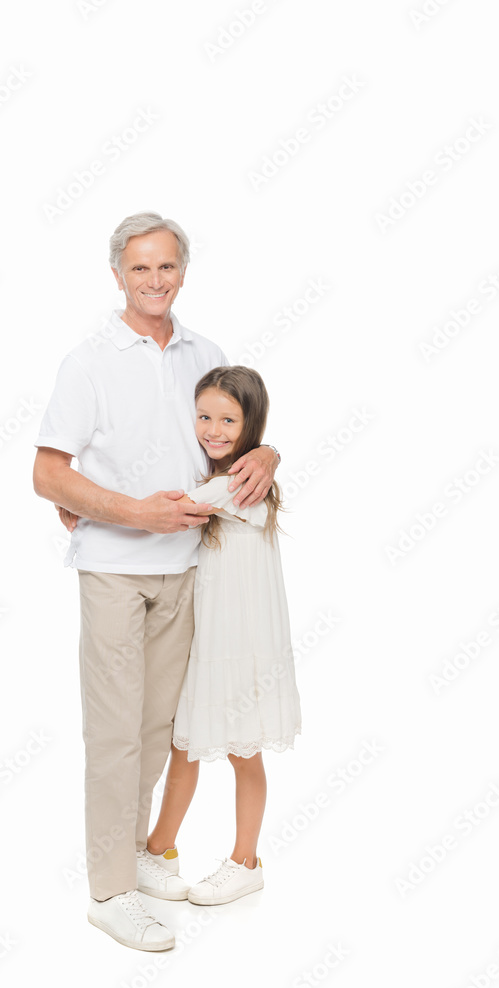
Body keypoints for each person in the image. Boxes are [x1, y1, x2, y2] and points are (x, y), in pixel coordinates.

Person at [33, 211, 281, 952]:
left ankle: (137, 857)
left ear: (182, 271)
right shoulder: (88, 361)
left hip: (188, 573)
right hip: (114, 570)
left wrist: (272, 455)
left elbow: (234, 430)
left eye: (166, 266)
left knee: (157, 731)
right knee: (113, 735)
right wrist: (126, 511)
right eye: (139, 268)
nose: (154, 280)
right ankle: (109, 891)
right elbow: (47, 472)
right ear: (117, 275)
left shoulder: (204, 352)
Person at [144, 365, 302, 905]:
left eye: (228, 419)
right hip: (207, 642)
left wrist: (88, 505)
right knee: (183, 745)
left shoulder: (240, 482)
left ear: (250, 423)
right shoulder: (225, 474)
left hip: (239, 645)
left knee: (242, 752)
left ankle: (245, 861)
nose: (213, 429)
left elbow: (174, 510)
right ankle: (159, 847)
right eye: (204, 416)